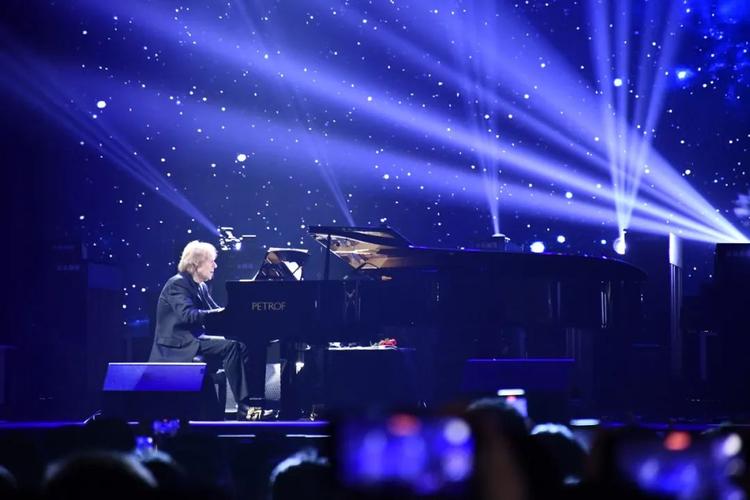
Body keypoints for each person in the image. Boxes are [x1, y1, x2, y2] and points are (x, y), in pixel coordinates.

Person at [149, 240, 266, 420]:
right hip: (176, 346)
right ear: (196, 263)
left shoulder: (200, 286)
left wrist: (240, 316)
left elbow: (217, 313)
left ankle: (250, 402)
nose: (215, 266)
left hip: (193, 340)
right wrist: (223, 312)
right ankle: (244, 408)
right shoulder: (177, 284)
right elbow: (188, 315)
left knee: (241, 346)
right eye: (211, 261)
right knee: (231, 347)